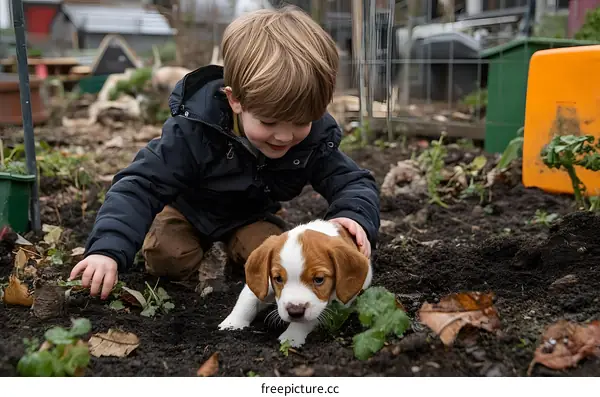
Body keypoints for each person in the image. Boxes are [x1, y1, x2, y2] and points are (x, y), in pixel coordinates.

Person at [69, 6, 381, 300]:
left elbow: (353, 182)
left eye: (302, 122)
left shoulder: (314, 140)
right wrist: (107, 249)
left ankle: (234, 263)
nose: (285, 136)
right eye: (269, 122)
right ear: (235, 101)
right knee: (169, 256)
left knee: (274, 260)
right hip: (187, 210)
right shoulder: (193, 131)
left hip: (249, 216)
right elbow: (139, 184)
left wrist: (352, 217)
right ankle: (199, 275)